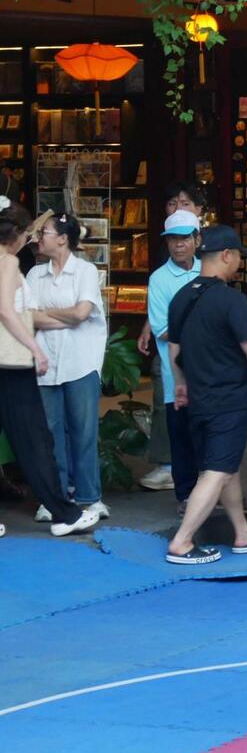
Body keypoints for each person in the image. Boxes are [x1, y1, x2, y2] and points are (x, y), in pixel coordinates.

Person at [165, 225, 247, 564]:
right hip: (227, 398)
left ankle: (243, 533)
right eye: (238, 258)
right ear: (227, 255)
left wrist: (180, 384)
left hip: (199, 397)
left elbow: (175, 350)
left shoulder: (182, 297)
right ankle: (182, 541)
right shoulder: (232, 300)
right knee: (216, 470)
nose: (239, 265)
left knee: (224, 465)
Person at [0, 205, 99, 537]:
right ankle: (62, 512)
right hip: (12, 363)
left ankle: (65, 508)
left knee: (45, 437)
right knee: (37, 439)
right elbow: (13, 313)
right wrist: (36, 345)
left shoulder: (78, 270)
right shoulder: (10, 262)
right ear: (15, 236)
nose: (34, 239)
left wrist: (43, 319)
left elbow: (81, 313)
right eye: (30, 234)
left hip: (22, 361)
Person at [28, 213, 108, 520]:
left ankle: (90, 497)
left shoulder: (85, 271)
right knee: (50, 433)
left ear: (63, 238)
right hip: (46, 361)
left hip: (81, 360)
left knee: (83, 431)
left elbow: (82, 313)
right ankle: (55, 499)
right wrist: (66, 314)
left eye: (44, 232)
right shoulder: (36, 274)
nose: (39, 238)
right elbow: (30, 316)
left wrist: (48, 313)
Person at [137, 183, 205, 494]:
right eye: (173, 240)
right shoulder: (159, 278)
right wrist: (206, 332)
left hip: (207, 371)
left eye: (184, 239)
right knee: (180, 436)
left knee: (207, 435)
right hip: (174, 369)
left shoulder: (208, 269)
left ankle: (211, 494)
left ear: (197, 240)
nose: (179, 245)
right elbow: (162, 328)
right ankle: (185, 497)